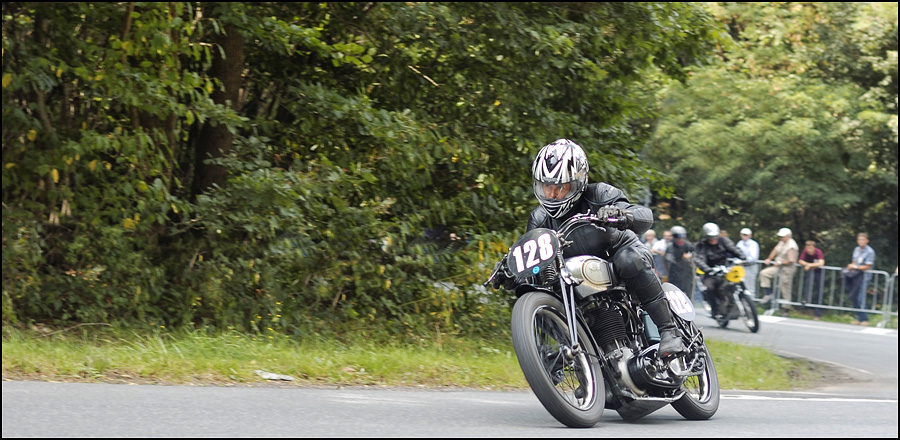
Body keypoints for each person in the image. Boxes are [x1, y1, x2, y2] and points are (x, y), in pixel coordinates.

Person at [523, 139, 684, 356]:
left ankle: (669, 331)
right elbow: (533, 254)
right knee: (537, 290)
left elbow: (644, 216)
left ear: (579, 180)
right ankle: (576, 358)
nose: (553, 195)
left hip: (618, 258)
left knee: (628, 260)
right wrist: (512, 271)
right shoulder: (539, 218)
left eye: (561, 188)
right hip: (578, 276)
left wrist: (621, 214)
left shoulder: (599, 194)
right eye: (547, 187)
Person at [692, 222, 746, 319]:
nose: (714, 239)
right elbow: (699, 259)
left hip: (725, 269)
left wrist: (742, 257)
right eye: (711, 237)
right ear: (706, 236)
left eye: (715, 237)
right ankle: (714, 309)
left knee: (733, 284)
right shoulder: (702, 245)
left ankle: (737, 304)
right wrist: (708, 269)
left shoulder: (724, 241)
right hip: (710, 272)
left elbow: (733, 248)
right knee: (710, 288)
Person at [759, 227, 799, 316]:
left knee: (784, 288)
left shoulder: (791, 246)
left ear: (788, 236)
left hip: (787, 269)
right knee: (764, 273)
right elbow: (775, 250)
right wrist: (769, 258)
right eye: (780, 236)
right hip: (778, 267)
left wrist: (780, 262)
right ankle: (767, 293)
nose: (780, 238)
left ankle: (786, 309)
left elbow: (791, 260)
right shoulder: (782, 242)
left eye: (782, 236)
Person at [842, 233, 875, 326]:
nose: (861, 241)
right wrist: (851, 266)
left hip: (864, 277)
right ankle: (859, 318)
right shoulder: (856, 249)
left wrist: (855, 266)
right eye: (859, 239)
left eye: (863, 239)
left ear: (867, 240)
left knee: (861, 298)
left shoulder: (870, 251)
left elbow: (867, 266)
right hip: (855, 276)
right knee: (853, 297)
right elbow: (854, 261)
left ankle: (865, 319)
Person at [798, 240, 826, 320]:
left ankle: (818, 313)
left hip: (819, 272)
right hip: (811, 271)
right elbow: (800, 260)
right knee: (808, 285)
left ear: (814, 248)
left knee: (819, 291)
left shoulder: (818, 252)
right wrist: (807, 265)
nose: (809, 250)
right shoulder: (805, 251)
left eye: (811, 248)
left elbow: (821, 263)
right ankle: (807, 300)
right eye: (807, 248)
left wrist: (809, 265)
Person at [665, 225, 695, 299]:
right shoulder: (670, 247)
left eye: (682, 237)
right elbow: (669, 259)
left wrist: (689, 257)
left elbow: (694, 253)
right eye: (678, 237)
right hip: (675, 274)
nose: (680, 240)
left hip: (687, 273)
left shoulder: (687, 245)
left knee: (688, 293)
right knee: (675, 294)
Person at [736, 228, 760, 297]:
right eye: (743, 234)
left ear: (750, 236)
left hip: (750, 266)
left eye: (746, 235)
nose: (744, 236)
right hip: (741, 266)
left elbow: (753, 257)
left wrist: (744, 260)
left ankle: (751, 302)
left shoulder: (753, 244)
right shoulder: (740, 243)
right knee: (740, 284)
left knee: (750, 285)